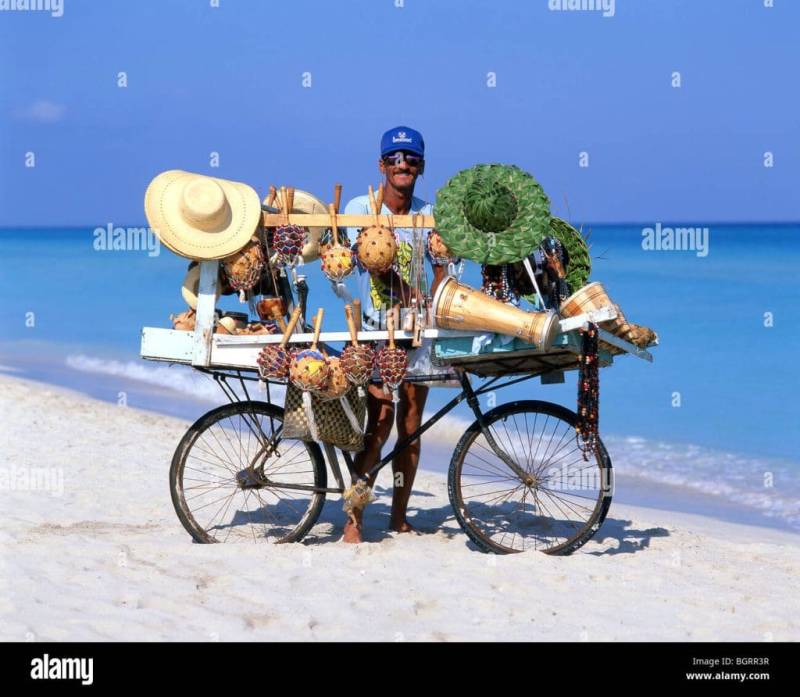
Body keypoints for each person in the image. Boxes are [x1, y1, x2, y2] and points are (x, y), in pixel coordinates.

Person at [342, 126, 446, 543]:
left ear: (422, 166)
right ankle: (354, 519)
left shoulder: (430, 214)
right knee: (379, 424)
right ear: (382, 165)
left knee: (412, 425)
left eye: (411, 158)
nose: (403, 164)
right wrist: (409, 292)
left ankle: (399, 516)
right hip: (374, 332)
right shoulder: (360, 208)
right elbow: (371, 263)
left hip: (419, 333)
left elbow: (442, 268)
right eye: (395, 158)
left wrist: (436, 298)